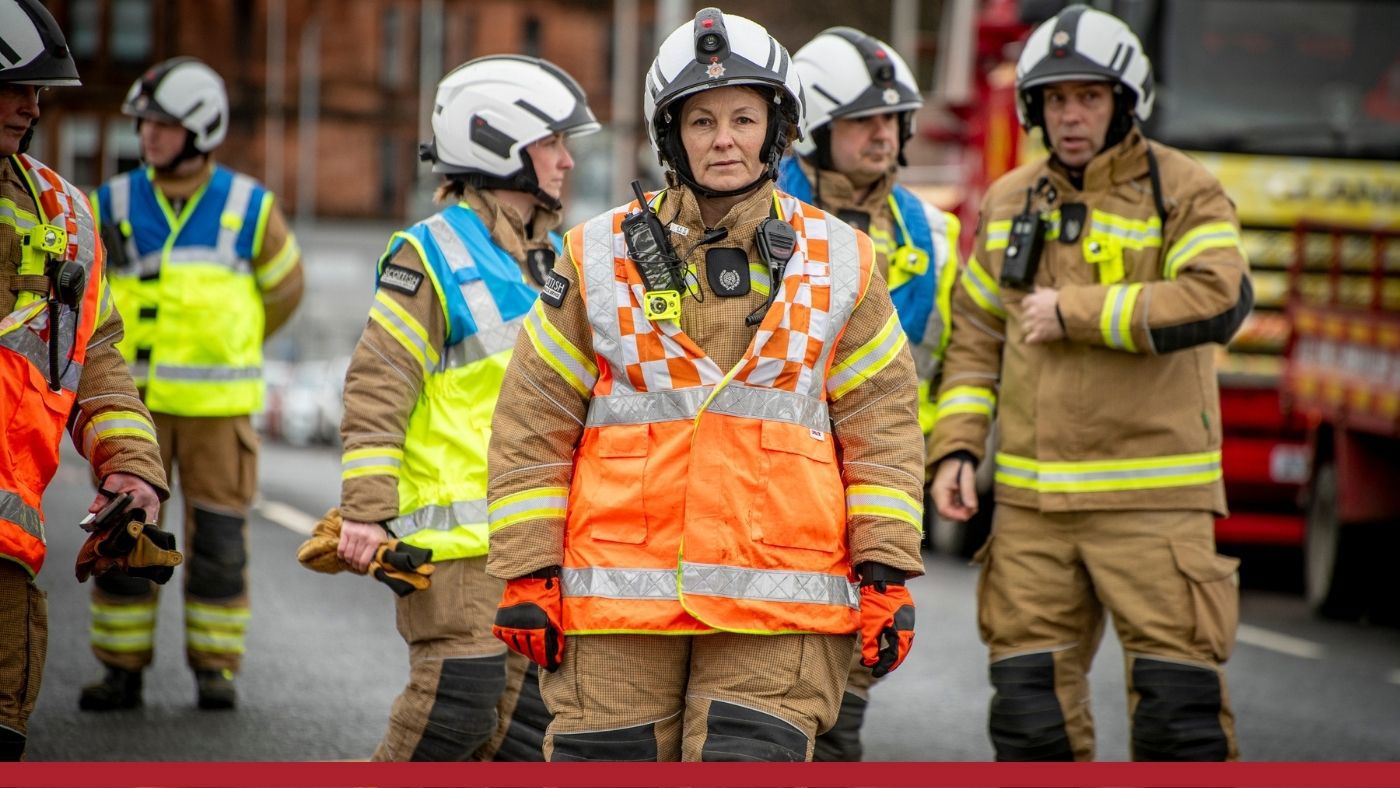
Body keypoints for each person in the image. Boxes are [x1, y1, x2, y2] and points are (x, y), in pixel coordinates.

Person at [485, 8, 925, 762]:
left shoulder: (846, 261)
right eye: (702, 121)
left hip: (779, 608)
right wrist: (528, 568)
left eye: (744, 118)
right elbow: (533, 419)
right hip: (618, 610)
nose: (724, 139)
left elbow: (882, 424)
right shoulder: (594, 256)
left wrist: (886, 568)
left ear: (776, 128)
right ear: (672, 137)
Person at [928, 4, 1252, 762]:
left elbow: (1218, 297)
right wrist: (955, 451)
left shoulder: (1183, 189)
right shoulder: (1010, 200)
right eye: (1056, 100)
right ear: (1034, 109)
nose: (1071, 116)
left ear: (1124, 101)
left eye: (1089, 97)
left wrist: (1076, 311)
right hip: (1032, 510)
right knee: (1028, 717)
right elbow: (975, 337)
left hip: (1154, 507)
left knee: (1182, 721)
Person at [334, 55, 598, 761]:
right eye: (552, 143)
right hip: (458, 550)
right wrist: (365, 505)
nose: (567, 161)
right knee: (455, 709)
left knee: (523, 734)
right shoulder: (429, 253)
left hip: (535, 542)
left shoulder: (554, 261)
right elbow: (379, 382)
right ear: (499, 143)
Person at [81, 56, 304, 711]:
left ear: (200, 128)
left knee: (220, 548)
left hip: (218, 412)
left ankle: (216, 670)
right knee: (123, 541)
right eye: (143, 123)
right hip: (135, 411)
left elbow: (287, 292)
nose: (147, 135)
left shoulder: (251, 208)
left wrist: (228, 345)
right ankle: (120, 670)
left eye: (162, 124)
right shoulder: (111, 204)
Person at [778, 27, 959, 762]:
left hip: (871, 497)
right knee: (757, 703)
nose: (882, 133)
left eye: (891, 118)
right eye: (861, 120)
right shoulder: (762, 217)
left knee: (842, 711)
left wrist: (949, 454)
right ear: (815, 132)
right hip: (777, 489)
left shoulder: (933, 235)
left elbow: (956, 364)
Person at [0, 0, 167, 759]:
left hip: (7, 553)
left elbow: (92, 358)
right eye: (12, 86)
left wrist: (131, 470)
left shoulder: (65, 213)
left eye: (38, 90)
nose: (31, 105)